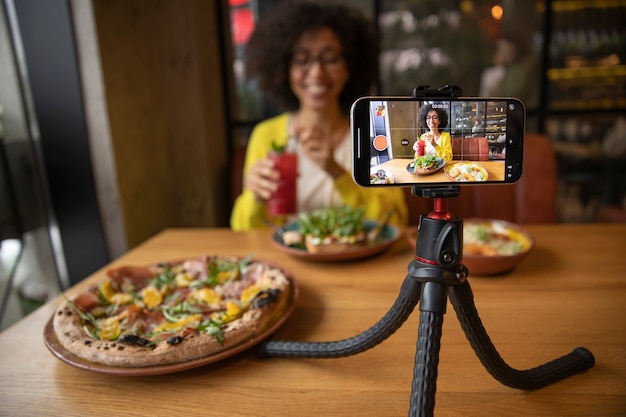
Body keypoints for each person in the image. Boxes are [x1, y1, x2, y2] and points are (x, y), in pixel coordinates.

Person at [230, 1, 408, 230]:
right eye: (302, 60)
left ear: (349, 67)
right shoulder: (267, 135)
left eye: (330, 58)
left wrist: (338, 173)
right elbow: (242, 230)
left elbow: (395, 220)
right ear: (286, 69)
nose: (316, 73)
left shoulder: (375, 136)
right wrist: (254, 197)